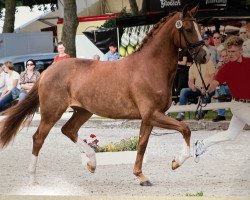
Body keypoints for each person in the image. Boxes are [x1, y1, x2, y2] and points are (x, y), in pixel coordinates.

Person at [194, 35, 250, 162]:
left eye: (233, 51)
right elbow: (214, 83)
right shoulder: (226, 68)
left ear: (241, 50)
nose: (230, 54)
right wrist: (207, 89)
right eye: (229, 51)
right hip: (239, 106)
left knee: (231, 135)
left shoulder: (249, 62)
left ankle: (202, 144)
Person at [176, 55, 216, 121]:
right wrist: (192, 86)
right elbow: (190, 82)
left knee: (208, 93)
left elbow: (213, 78)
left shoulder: (209, 63)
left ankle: (201, 113)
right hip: (198, 89)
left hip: (209, 87)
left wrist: (206, 88)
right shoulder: (192, 67)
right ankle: (181, 112)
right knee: (184, 91)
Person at [212, 48, 232, 122]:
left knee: (219, 89)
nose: (225, 58)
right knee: (219, 87)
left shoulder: (234, 64)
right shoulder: (221, 66)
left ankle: (221, 115)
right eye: (222, 56)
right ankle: (224, 96)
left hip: (234, 88)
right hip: (224, 88)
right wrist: (217, 67)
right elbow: (215, 79)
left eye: (226, 56)